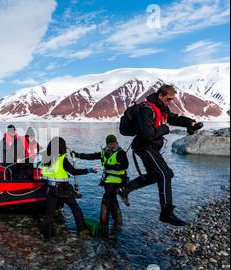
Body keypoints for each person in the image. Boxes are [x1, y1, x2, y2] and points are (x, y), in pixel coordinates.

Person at [117, 84, 202, 226]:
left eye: (172, 100)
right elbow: (146, 134)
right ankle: (166, 213)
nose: (170, 102)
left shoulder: (162, 108)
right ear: (160, 96)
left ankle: (124, 189)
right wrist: (164, 129)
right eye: (168, 99)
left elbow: (173, 118)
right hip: (145, 147)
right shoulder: (146, 110)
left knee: (155, 175)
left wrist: (189, 122)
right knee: (165, 174)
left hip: (152, 148)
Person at [41, 137, 98, 239]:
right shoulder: (62, 159)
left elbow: (44, 173)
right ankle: (82, 230)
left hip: (50, 188)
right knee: (76, 209)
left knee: (49, 214)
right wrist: (89, 170)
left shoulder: (45, 157)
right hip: (63, 189)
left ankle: (47, 236)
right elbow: (74, 172)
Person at [72, 135, 129, 229]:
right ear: (107, 144)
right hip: (107, 180)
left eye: (114, 144)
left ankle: (103, 224)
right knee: (113, 200)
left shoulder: (121, 153)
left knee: (106, 200)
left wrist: (111, 166)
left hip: (117, 181)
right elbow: (92, 156)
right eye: (110, 144)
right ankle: (118, 222)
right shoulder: (104, 152)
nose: (113, 146)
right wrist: (78, 155)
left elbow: (125, 165)